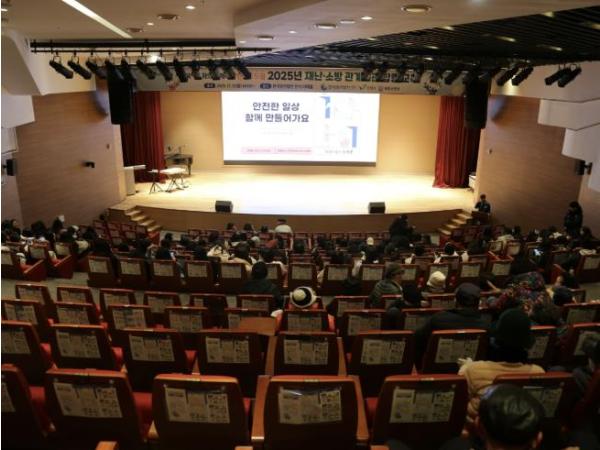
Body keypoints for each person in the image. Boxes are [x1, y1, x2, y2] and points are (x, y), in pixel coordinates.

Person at [459, 308, 545, 426]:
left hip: (479, 431)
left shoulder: (473, 370)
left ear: (495, 340)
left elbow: (459, 405)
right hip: (520, 432)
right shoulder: (538, 373)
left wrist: (464, 369)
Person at [415, 283, 490, 360]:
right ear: (479, 303)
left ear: (455, 301)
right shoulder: (485, 325)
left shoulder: (439, 319)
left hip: (435, 365)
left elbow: (417, 338)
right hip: (472, 365)